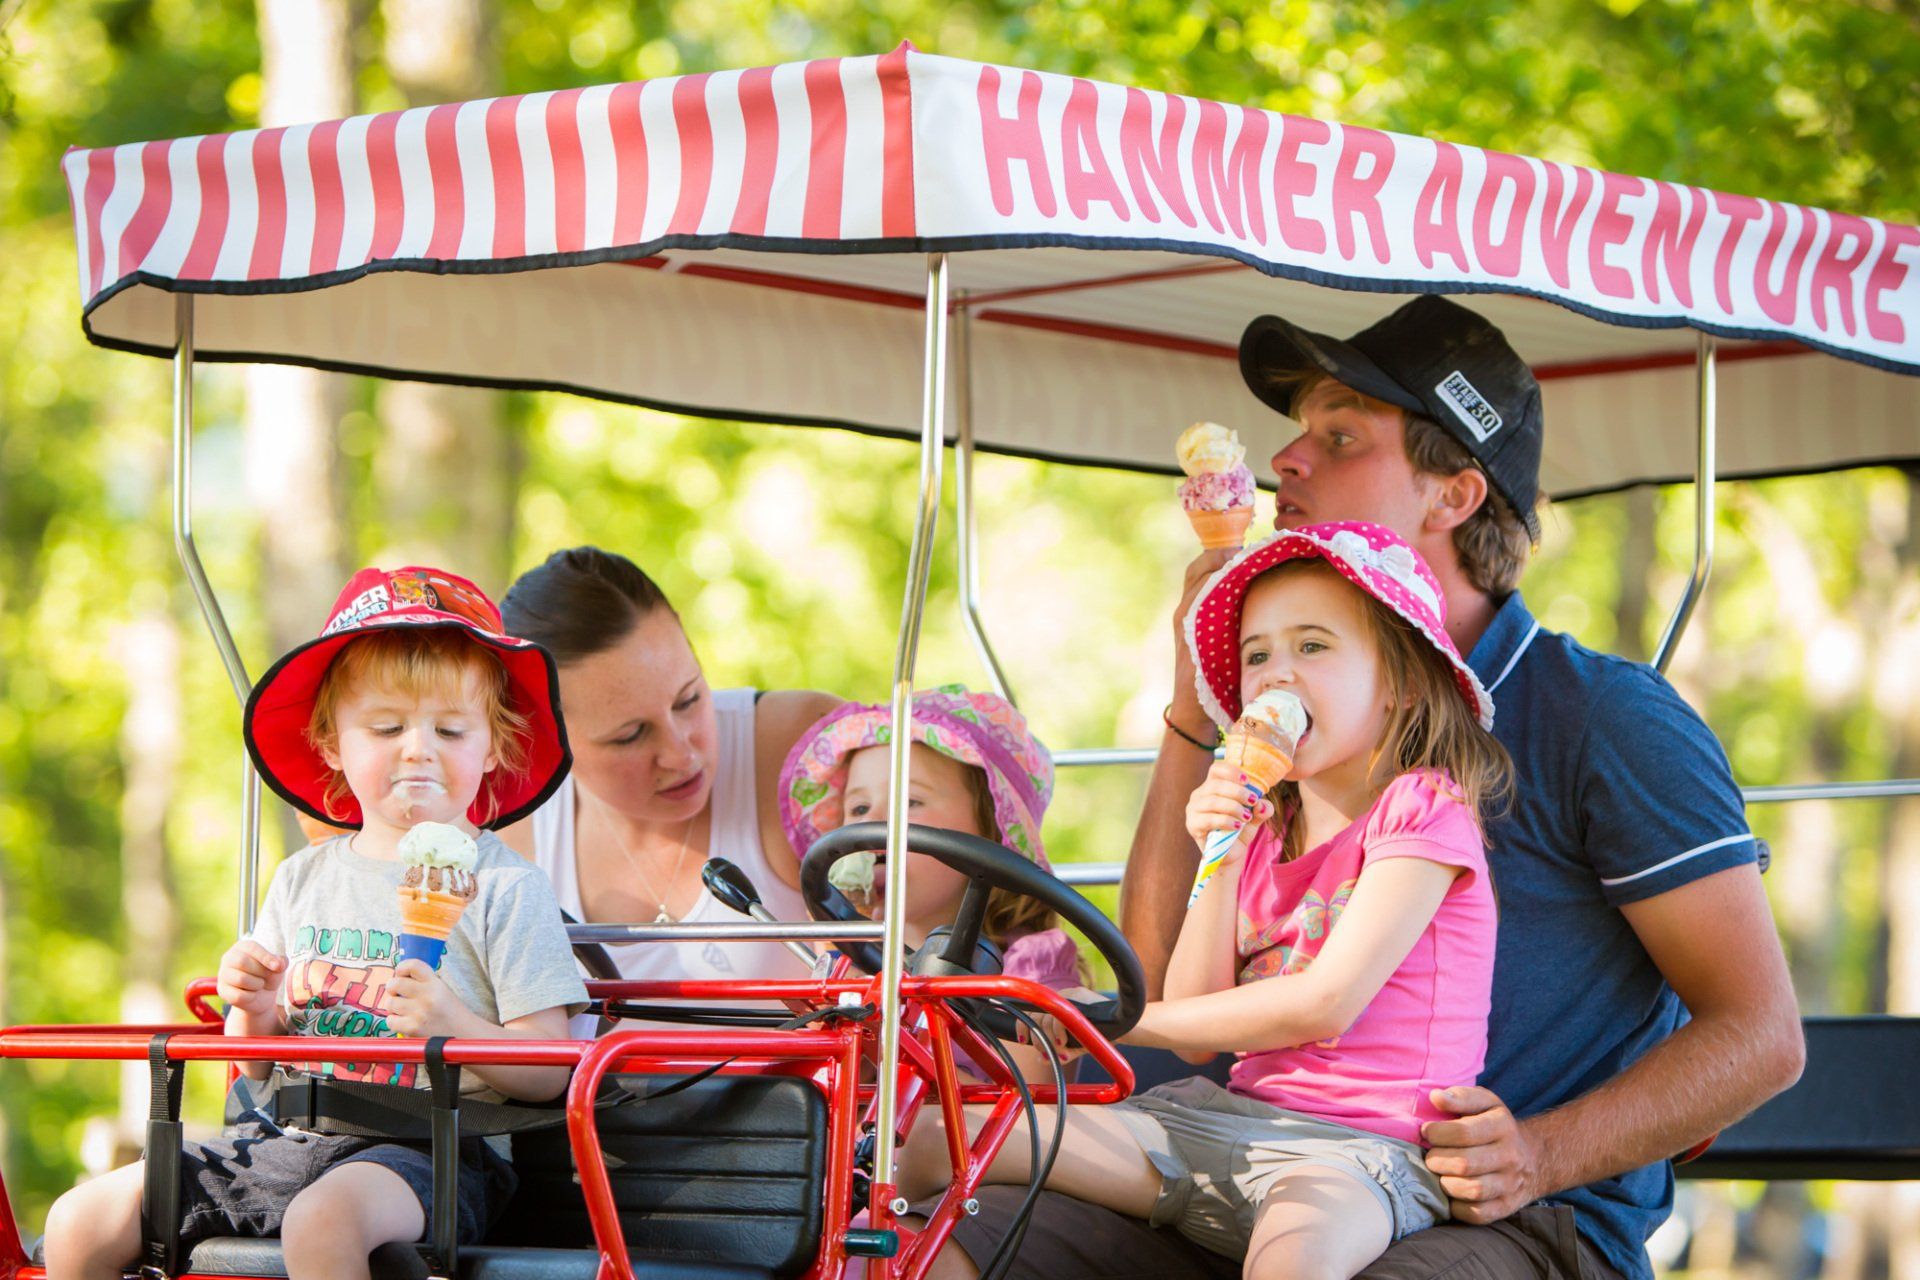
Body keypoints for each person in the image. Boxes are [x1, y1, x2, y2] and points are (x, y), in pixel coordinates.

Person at [939, 295, 1804, 1280]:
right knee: (963, 1225)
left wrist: (1538, 1154)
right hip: (1239, 1156)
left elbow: (1762, 1034)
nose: (1289, 461)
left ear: (1454, 497)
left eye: (1340, 434)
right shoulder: (1286, 713)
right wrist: (1196, 701)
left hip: (1510, 1215)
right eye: (1299, 433)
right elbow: (1150, 965)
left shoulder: (1605, 716)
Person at [903, 526, 1510, 1279]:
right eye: (1257, 656)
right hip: (1218, 1126)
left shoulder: (1423, 809)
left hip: (1357, 1152)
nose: (1275, 675)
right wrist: (1220, 848)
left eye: (1312, 647)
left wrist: (1103, 1018)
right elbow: (1195, 1031)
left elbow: (1324, 1003)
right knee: (933, 1138)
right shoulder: (1262, 832)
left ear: (1403, 684)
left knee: (1291, 1264)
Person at [42, 566, 588, 1280]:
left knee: (322, 1222)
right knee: (77, 1219)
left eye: (450, 729)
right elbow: (257, 1062)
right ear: (332, 743)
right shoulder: (302, 879)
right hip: (288, 1136)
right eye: (387, 727)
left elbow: (549, 1069)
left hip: (439, 1148)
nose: (418, 748)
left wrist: (452, 1022)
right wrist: (255, 1005)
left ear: (492, 748)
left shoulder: (509, 887)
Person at [498, 547, 842, 992]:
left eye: (689, 700)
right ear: (542, 733)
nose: (681, 755)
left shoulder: (807, 747)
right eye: (630, 735)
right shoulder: (512, 828)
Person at [778, 684, 1088, 1077]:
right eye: (858, 807)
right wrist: (840, 981)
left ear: (988, 832)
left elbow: (1029, 1111)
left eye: (909, 802)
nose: (874, 822)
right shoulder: (856, 958)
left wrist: (879, 1030)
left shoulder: (1029, 966)